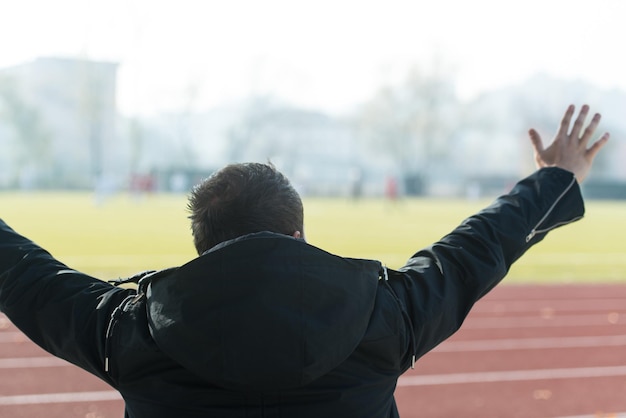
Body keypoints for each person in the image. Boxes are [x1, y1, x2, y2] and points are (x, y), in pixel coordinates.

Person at [0, 104, 609, 417]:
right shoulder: (385, 314)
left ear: (202, 245)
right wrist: (554, 179)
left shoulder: (130, 330)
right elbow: (477, 248)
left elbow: (24, 274)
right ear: (297, 233)